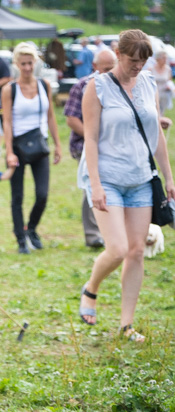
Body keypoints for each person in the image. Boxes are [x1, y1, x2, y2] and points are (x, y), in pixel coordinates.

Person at [77, 29, 175, 342]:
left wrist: (169, 177)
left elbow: (156, 135)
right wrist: (95, 184)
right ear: (118, 55)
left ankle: (125, 324)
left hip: (141, 179)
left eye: (143, 61)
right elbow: (90, 138)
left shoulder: (148, 84)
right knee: (117, 249)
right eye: (132, 60)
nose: (137, 66)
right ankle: (91, 289)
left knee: (136, 252)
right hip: (108, 179)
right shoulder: (97, 87)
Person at [1, 42, 62, 254]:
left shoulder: (44, 85)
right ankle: (20, 239)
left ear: (35, 63)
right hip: (18, 146)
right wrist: (9, 151)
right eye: (23, 64)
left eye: (30, 63)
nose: (27, 68)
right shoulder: (10, 90)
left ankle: (32, 228)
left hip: (39, 144)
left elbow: (51, 116)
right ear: (17, 64)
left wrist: (57, 144)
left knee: (42, 194)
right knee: (17, 196)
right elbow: (7, 122)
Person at [64, 48, 118, 248]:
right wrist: (92, 137)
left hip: (114, 146)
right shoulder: (83, 86)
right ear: (94, 67)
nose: (109, 72)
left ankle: (112, 232)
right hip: (85, 145)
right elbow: (71, 119)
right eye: (105, 69)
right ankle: (93, 234)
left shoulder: (119, 87)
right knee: (93, 186)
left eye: (112, 68)